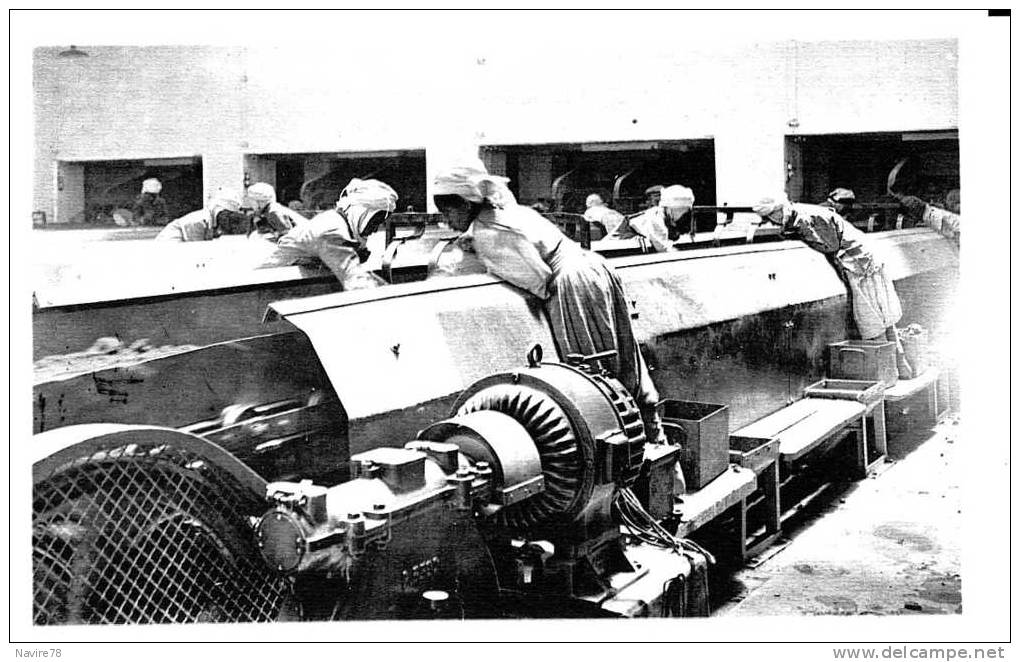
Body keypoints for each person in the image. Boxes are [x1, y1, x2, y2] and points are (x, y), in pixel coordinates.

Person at [431, 159, 667, 447]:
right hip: (593, 268)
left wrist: (485, 257)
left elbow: (538, 280)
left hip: (572, 284)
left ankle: (628, 448)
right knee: (626, 366)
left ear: (466, 204)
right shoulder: (504, 211)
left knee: (597, 376)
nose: (446, 220)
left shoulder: (487, 233)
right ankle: (657, 444)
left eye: (448, 210)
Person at [750, 195, 913, 379]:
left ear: (779, 211)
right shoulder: (801, 211)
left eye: (772, 217)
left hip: (858, 263)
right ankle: (901, 364)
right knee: (885, 318)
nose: (772, 221)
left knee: (872, 322)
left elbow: (830, 245)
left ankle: (890, 373)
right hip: (864, 257)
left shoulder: (804, 219)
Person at [259, 178, 398, 290]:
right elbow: (356, 281)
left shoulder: (336, 221)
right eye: (374, 221)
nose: (374, 230)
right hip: (267, 289)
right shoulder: (332, 231)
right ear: (362, 213)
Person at [610, 184, 695, 252]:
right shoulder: (654, 217)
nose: (682, 214)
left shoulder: (669, 218)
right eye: (679, 210)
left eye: (685, 210)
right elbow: (663, 248)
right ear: (668, 208)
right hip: (613, 249)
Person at [154, 187, 246, 242]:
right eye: (224, 213)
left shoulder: (211, 223)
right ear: (215, 209)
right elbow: (197, 250)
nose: (225, 217)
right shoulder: (198, 221)